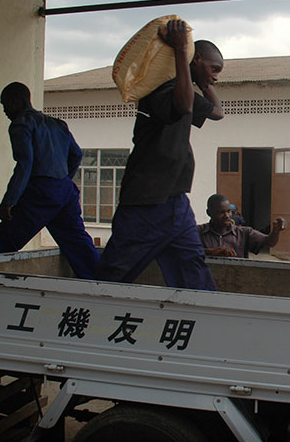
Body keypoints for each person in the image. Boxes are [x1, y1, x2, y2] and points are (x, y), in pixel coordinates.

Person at [95, 20, 223, 289]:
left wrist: (203, 78)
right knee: (113, 275)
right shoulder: (161, 91)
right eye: (213, 69)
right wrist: (180, 51)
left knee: (193, 271)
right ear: (195, 59)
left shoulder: (183, 89)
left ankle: (204, 324)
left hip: (175, 201)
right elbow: (185, 104)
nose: (215, 76)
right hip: (146, 201)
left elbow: (217, 112)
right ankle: (88, 320)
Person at [0, 82, 99, 279]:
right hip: (65, 191)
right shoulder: (58, 124)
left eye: (4, 105)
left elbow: (25, 163)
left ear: (15, 101)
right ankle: (101, 283)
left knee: (4, 239)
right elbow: (77, 154)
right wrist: (62, 179)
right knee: (77, 243)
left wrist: (9, 201)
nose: (4, 111)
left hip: (41, 190)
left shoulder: (21, 123)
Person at [198, 194, 286, 258]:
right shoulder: (198, 232)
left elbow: (268, 242)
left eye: (229, 211)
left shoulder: (244, 233)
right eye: (221, 212)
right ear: (209, 213)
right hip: (206, 282)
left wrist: (275, 232)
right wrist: (211, 252)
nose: (227, 216)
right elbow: (185, 252)